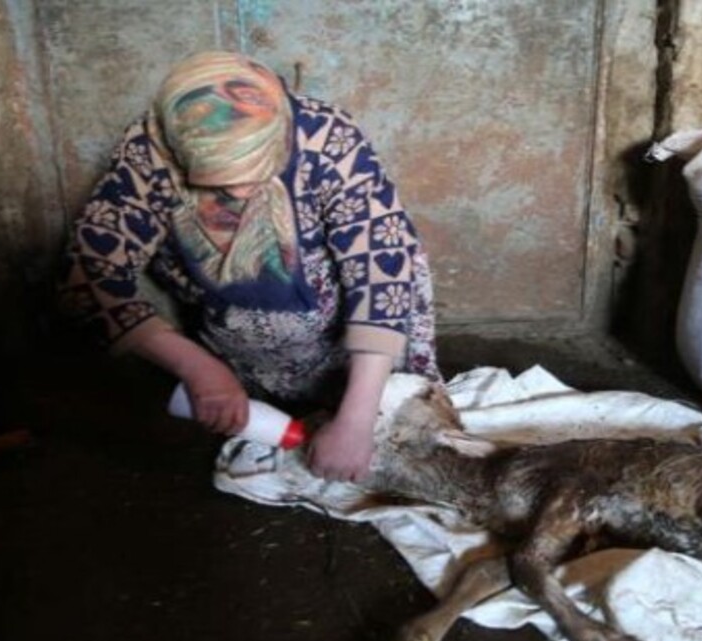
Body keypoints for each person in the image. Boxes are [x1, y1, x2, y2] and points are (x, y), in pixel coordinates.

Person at [58, 51, 439, 482]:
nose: (239, 192)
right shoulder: (149, 153)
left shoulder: (326, 136)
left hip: (342, 332)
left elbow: (380, 270)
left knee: (388, 421)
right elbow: (88, 275)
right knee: (262, 418)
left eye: (255, 171)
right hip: (236, 336)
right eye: (219, 179)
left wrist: (357, 420)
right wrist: (196, 366)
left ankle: (353, 400)